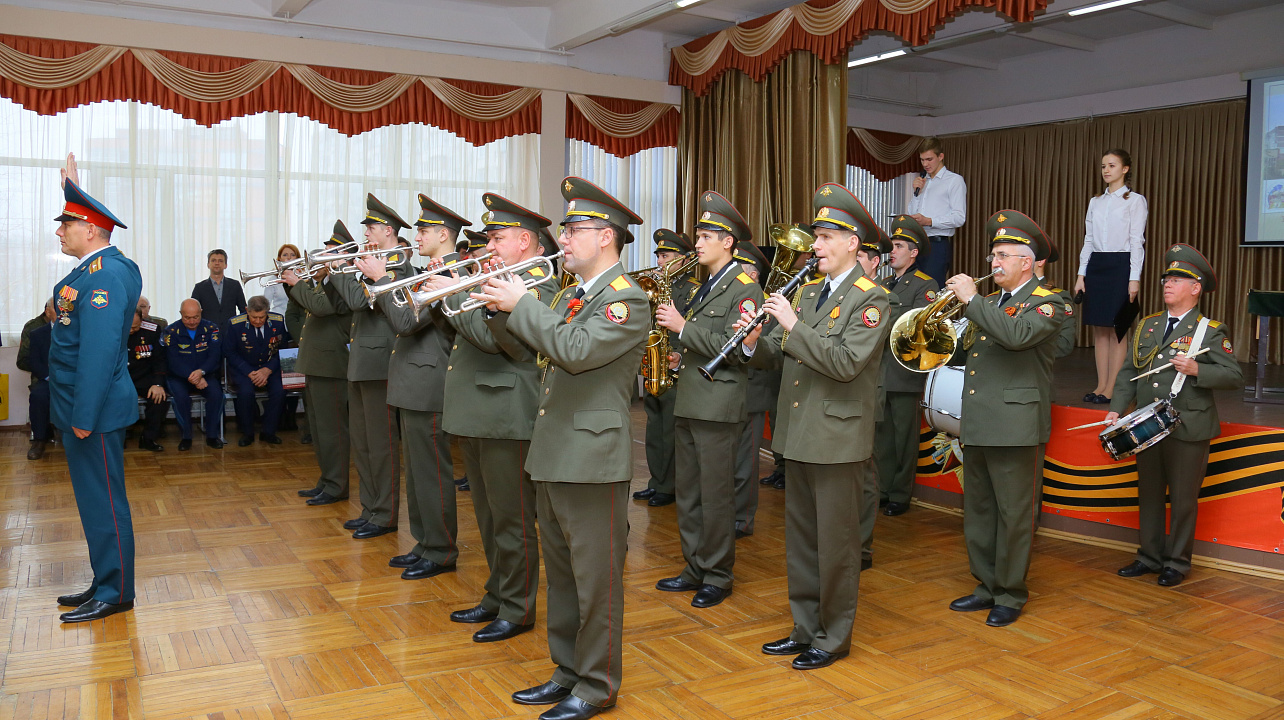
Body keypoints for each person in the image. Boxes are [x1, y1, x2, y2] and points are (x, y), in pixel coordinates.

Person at [472, 177, 648, 720]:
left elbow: (574, 350)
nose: (564, 239)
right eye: (566, 230)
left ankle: (596, 686)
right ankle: (567, 670)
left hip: (592, 460)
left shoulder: (627, 300)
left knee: (597, 583)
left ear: (606, 237)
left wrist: (523, 302)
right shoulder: (575, 295)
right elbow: (526, 349)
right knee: (565, 577)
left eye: (574, 230)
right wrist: (498, 306)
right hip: (554, 451)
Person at [738, 182, 891, 670]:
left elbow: (845, 363)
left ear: (852, 244)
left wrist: (791, 326)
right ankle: (805, 628)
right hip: (799, 433)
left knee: (837, 546)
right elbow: (780, 355)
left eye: (825, 238)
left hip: (838, 440)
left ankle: (833, 636)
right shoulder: (806, 293)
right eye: (816, 237)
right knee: (802, 542)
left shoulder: (872, 299)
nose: (816, 246)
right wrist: (752, 343)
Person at [431, 194, 557, 643]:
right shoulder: (497, 277)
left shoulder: (537, 282)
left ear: (524, 241)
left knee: (513, 519)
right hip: (478, 411)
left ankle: (518, 608)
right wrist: (456, 292)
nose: (489, 245)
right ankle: (498, 594)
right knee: (487, 517)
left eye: (497, 238)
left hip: (507, 415)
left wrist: (454, 291)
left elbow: (498, 342)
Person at [943, 210, 1061, 628]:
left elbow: (1016, 337)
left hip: (1016, 426)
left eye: (1003, 255)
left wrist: (971, 302)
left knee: (1013, 515)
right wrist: (941, 325)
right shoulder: (991, 304)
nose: (994, 262)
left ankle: (1010, 593)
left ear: (1026, 263)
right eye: (993, 255)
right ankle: (987, 585)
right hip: (979, 420)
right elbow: (963, 355)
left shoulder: (1050, 302)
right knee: (979, 511)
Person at [1107, 244, 1243, 588]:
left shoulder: (1209, 330)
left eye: (1177, 279)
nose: (1167, 283)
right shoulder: (1147, 325)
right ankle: (1149, 556)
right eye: (1166, 278)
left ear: (1196, 288)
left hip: (1188, 426)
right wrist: (1116, 409)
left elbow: (1233, 376)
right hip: (1147, 424)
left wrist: (1198, 369)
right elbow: (1129, 372)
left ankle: (1177, 563)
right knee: (1149, 495)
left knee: (1183, 500)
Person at [653, 191, 763, 610]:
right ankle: (694, 566)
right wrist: (682, 354)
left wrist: (682, 327)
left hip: (718, 407)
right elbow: (707, 344)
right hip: (691, 400)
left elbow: (736, 349)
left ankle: (718, 575)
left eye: (705, 236)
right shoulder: (707, 285)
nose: (697, 243)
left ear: (728, 242)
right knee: (689, 494)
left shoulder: (745, 288)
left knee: (715, 496)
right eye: (698, 235)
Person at [48, 158, 143, 623]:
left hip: (93, 412)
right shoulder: (97, 269)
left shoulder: (104, 274)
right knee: (94, 502)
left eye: (66, 224)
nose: (59, 231)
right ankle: (105, 577)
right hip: (81, 407)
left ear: (89, 230)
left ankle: (116, 591)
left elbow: (99, 354)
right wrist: (73, 190)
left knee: (104, 502)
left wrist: (83, 415)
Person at [367, 194, 467, 581]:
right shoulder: (432, 269)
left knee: (432, 474)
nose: (418, 235)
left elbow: (406, 323)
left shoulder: (452, 272)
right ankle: (425, 543)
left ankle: (441, 550)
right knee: (417, 474)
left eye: (424, 230)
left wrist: (382, 280)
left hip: (429, 384)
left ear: (443, 235)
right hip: (413, 382)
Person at [328, 194, 414, 540]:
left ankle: (386, 514)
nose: (366, 234)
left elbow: (356, 300)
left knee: (381, 445)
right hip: (362, 362)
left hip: (380, 364)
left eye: (372, 228)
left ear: (388, 230)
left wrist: (338, 269)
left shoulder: (396, 266)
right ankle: (370, 509)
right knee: (362, 444)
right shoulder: (372, 262)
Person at [282, 222, 354, 504]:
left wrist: (297, 283)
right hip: (317, 363)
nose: (321, 258)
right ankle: (327, 480)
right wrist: (296, 284)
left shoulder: (344, 281)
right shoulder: (327, 282)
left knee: (332, 430)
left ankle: (337, 485)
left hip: (331, 365)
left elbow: (321, 308)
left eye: (329, 252)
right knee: (318, 429)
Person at [875, 216, 940, 517]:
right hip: (881, 371)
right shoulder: (884, 283)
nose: (892, 251)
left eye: (899, 246)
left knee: (904, 439)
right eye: (892, 245)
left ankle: (900, 494)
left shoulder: (926, 285)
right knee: (883, 437)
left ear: (914, 253)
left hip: (904, 372)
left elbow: (914, 327)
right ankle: (883, 489)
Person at [1076, 149, 1148, 405]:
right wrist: (1081, 274)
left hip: (1120, 265)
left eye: (1112, 165)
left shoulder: (1135, 201)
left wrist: (1134, 277)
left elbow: (1137, 241)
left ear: (1125, 169)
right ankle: (1101, 385)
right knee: (1099, 330)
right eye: (1103, 166)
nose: (1106, 170)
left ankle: (1113, 388)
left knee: (1117, 330)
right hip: (1097, 265)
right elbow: (1088, 239)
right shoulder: (1095, 201)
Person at [636, 229, 698, 508]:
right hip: (654, 362)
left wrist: (678, 356)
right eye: (659, 256)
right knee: (654, 427)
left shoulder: (693, 288)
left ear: (683, 259)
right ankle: (657, 481)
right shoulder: (656, 285)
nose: (661, 262)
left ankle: (671, 486)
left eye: (667, 256)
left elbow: (692, 329)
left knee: (671, 430)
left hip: (676, 366)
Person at [852, 228, 898, 572]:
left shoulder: (880, 297)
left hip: (868, 394)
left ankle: (862, 547)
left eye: (858, 258)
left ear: (874, 263)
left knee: (864, 476)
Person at [731, 241, 772, 538]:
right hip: (732, 388)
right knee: (730, 460)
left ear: (753, 274)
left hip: (752, 390)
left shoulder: (762, 301)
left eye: (739, 269)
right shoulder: (737, 295)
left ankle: (742, 520)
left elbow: (765, 349)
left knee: (746, 461)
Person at [224, 295, 290, 447]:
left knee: (280, 391)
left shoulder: (278, 321)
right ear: (247, 311)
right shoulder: (235, 324)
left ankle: (269, 432)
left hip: (270, 367)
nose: (258, 321)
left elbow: (282, 349)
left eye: (262, 317)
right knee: (245, 392)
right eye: (254, 317)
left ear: (268, 311)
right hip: (244, 369)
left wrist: (268, 370)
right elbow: (229, 352)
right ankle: (247, 433)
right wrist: (249, 372)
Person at [162, 299, 226, 450]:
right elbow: (173, 361)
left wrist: (201, 372)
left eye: (196, 317)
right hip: (179, 376)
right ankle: (186, 436)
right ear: (180, 314)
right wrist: (195, 377)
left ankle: (212, 435)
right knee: (181, 398)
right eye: (187, 318)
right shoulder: (171, 331)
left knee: (217, 396)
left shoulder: (212, 329)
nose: (192, 322)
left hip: (206, 374)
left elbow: (214, 356)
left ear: (201, 313)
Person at [906, 137, 967, 288]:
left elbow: (959, 218)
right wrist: (916, 193)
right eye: (922, 160)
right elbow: (912, 212)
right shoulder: (923, 181)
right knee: (913, 288)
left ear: (941, 156)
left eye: (929, 159)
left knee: (931, 290)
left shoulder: (954, 181)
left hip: (937, 245)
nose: (925, 164)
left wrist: (929, 221)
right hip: (917, 243)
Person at [17, 299, 55, 460]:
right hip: (47, 378)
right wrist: (48, 376)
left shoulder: (76, 330)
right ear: (48, 312)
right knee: (38, 395)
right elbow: (32, 361)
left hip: (71, 379)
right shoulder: (36, 332)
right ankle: (39, 440)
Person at [128, 307, 168, 452]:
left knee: (159, 398)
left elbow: (159, 359)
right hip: (121, 377)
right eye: (129, 327)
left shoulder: (152, 330)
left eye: (136, 327)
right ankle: (120, 435)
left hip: (144, 377)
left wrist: (157, 383)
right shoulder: (110, 329)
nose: (132, 330)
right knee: (115, 398)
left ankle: (148, 438)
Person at [191, 249, 247, 328]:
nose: (217, 263)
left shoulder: (235, 285)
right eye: (213, 260)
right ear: (208, 265)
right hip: (207, 331)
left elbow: (243, 310)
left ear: (225, 265)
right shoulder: (199, 287)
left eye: (220, 261)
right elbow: (193, 312)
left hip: (231, 331)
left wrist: (241, 328)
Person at [264, 243, 300, 316]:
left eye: (293, 255)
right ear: (279, 258)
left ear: (297, 258)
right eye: (285, 255)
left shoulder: (304, 278)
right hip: (279, 318)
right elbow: (265, 305)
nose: (289, 258)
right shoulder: (273, 279)